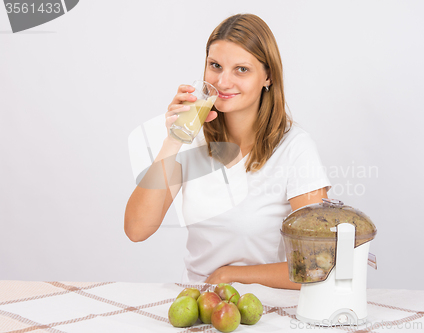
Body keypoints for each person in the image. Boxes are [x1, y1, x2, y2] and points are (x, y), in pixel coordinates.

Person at [124, 14, 331, 290]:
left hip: (265, 310)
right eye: (215, 65)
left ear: (267, 76)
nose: (222, 82)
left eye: (241, 69)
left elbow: (318, 264)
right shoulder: (193, 138)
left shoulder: (294, 148)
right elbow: (137, 230)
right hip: (198, 305)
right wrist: (173, 140)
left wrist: (231, 275)